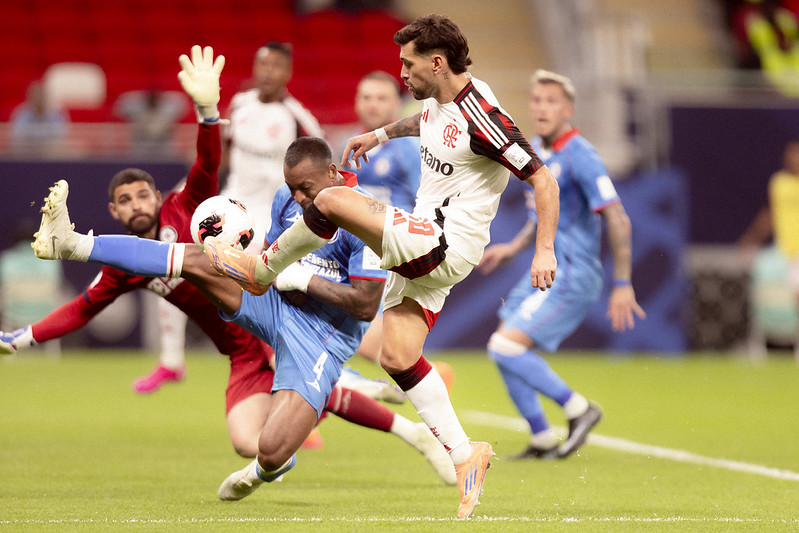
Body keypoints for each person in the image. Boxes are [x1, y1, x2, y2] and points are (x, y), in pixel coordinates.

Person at [3, 49, 454, 487]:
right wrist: (21, 338)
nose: (298, 198)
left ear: (159, 196)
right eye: (125, 201)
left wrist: (206, 110)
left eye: (142, 195)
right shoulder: (276, 203)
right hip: (252, 328)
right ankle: (74, 243)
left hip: (311, 329)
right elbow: (84, 306)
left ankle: (378, 413)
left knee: (275, 442)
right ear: (113, 212)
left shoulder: (194, 207)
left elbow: (209, 162)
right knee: (199, 270)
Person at [198, 15, 561, 519]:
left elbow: (544, 180)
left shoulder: (486, 116)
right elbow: (430, 124)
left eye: (408, 64)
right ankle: (463, 454)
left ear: (437, 62)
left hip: (440, 242)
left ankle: (262, 270)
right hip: (432, 253)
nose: (402, 74)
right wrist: (383, 133)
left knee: (333, 199)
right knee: (397, 355)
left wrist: (544, 250)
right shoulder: (441, 104)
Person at [477, 70, 646, 460]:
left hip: (572, 274)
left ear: (568, 109)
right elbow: (542, 217)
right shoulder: (536, 148)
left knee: (504, 347)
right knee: (501, 347)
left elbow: (618, 219)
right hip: (544, 269)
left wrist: (623, 283)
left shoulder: (580, 155)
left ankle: (579, 409)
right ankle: (540, 437)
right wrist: (514, 247)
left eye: (550, 101)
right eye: (536, 100)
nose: (541, 107)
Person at [221, 40, 324, 255]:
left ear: (288, 72)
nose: (268, 71)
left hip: (270, 213)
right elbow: (223, 153)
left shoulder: (298, 118)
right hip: (232, 200)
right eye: (263, 64)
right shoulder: (239, 104)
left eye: (276, 65)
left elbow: (320, 169)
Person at [10, 80, 69, 154]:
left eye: (41, 96)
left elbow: (60, 140)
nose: (39, 100)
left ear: (46, 97)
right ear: (29, 97)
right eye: (36, 97)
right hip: (26, 156)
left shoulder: (57, 114)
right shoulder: (21, 114)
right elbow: (17, 139)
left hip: (51, 156)